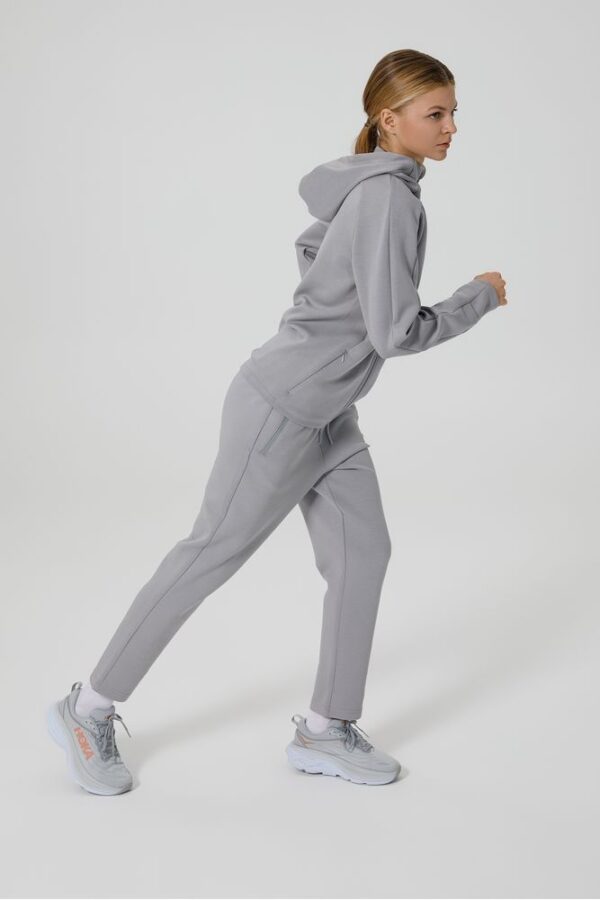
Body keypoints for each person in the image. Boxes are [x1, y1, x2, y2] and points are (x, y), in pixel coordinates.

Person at [46, 48, 507, 794]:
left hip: (330, 413)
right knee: (208, 555)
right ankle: (86, 708)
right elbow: (397, 331)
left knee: (364, 552)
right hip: (283, 410)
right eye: (436, 114)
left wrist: (332, 329)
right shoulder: (387, 195)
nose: (452, 127)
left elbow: (315, 254)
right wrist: (477, 296)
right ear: (389, 120)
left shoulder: (373, 189)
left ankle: (325, 729)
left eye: (453, 112)